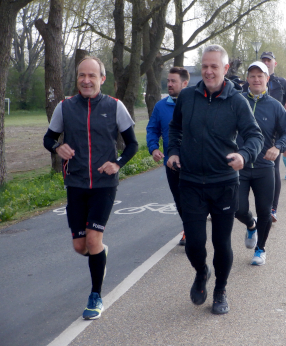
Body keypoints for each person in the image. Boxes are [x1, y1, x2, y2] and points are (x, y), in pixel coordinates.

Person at [167, 45, 263, 315]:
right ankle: (201, 272)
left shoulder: (237, 101)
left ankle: (220, 290)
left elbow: (254, 135)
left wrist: (245, 155)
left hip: (224, 183)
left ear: (225, 69)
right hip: (191, 182)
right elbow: (174, 128)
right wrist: (173, 151)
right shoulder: (187, 97)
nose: (209, 71)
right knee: (195, 243)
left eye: (214, 67)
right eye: (205, 66)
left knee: (222, 243)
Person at [43, 56, 138, 320]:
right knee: (79, 246)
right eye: (82, 75)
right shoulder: (65, 107)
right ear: (77, 79)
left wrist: (117, 164)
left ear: (102, 79)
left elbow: (132, 144)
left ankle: (95, 296)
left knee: (93, 239)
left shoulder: (115, 106)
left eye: (92, 76)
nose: (86, 80)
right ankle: (99, 254)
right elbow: (48, 138)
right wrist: (57, 147)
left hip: (104, 185)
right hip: (75, 183)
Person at [235, 61, 286, 266]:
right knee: (238, 208)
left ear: (267, 79)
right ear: (247, 80)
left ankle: (260, 248)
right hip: (239, 167)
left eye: (260, 76)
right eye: (252, 76)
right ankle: (251, 225)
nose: (256, 79)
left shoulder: (275, 106)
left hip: (264, 168)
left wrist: (278, 147)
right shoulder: (237, 101)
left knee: (265, 211)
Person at [246, 51, 286, 222]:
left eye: (269, 60)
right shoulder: (244, 94)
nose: (256, 79)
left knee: (273, 172)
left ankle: (272, 208)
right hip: (246, 149)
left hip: (272, 134)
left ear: (275, 63)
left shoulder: (281, 82)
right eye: (263, 60)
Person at [146, 67, 190, 245]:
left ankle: (192, 228)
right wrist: (154, 148)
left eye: (173, 81)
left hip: (194, 162)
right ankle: (188, 228)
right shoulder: (161, 106)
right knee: (179, 200)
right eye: (168, 81)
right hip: (172, 163)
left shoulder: (194, 103)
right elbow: (152, 129)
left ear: (185, 83)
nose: (169, 84)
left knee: (192, 199)